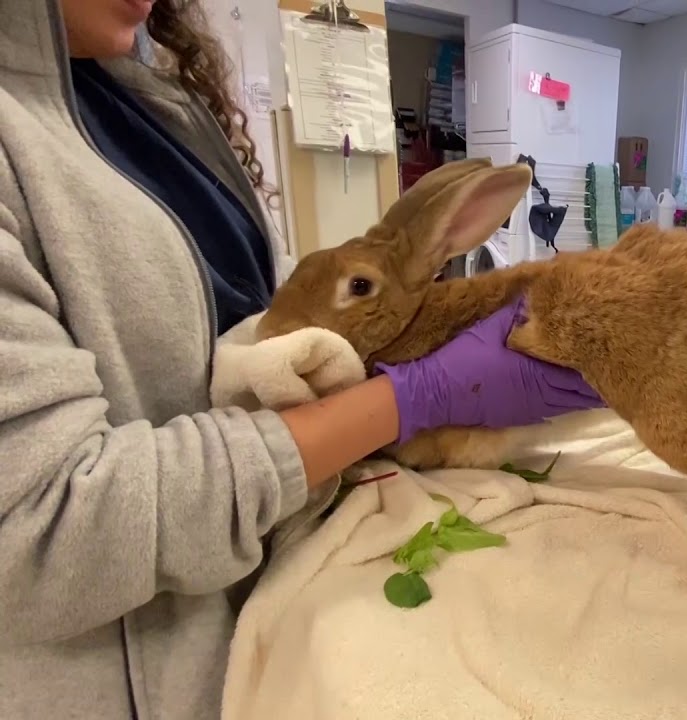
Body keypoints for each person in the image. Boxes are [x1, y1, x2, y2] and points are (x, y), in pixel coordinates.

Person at [0, 0, 601, 717]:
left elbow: (252, 302)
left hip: (283, 604)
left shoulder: (149, 95)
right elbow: (45, 527)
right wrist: (408, 399)